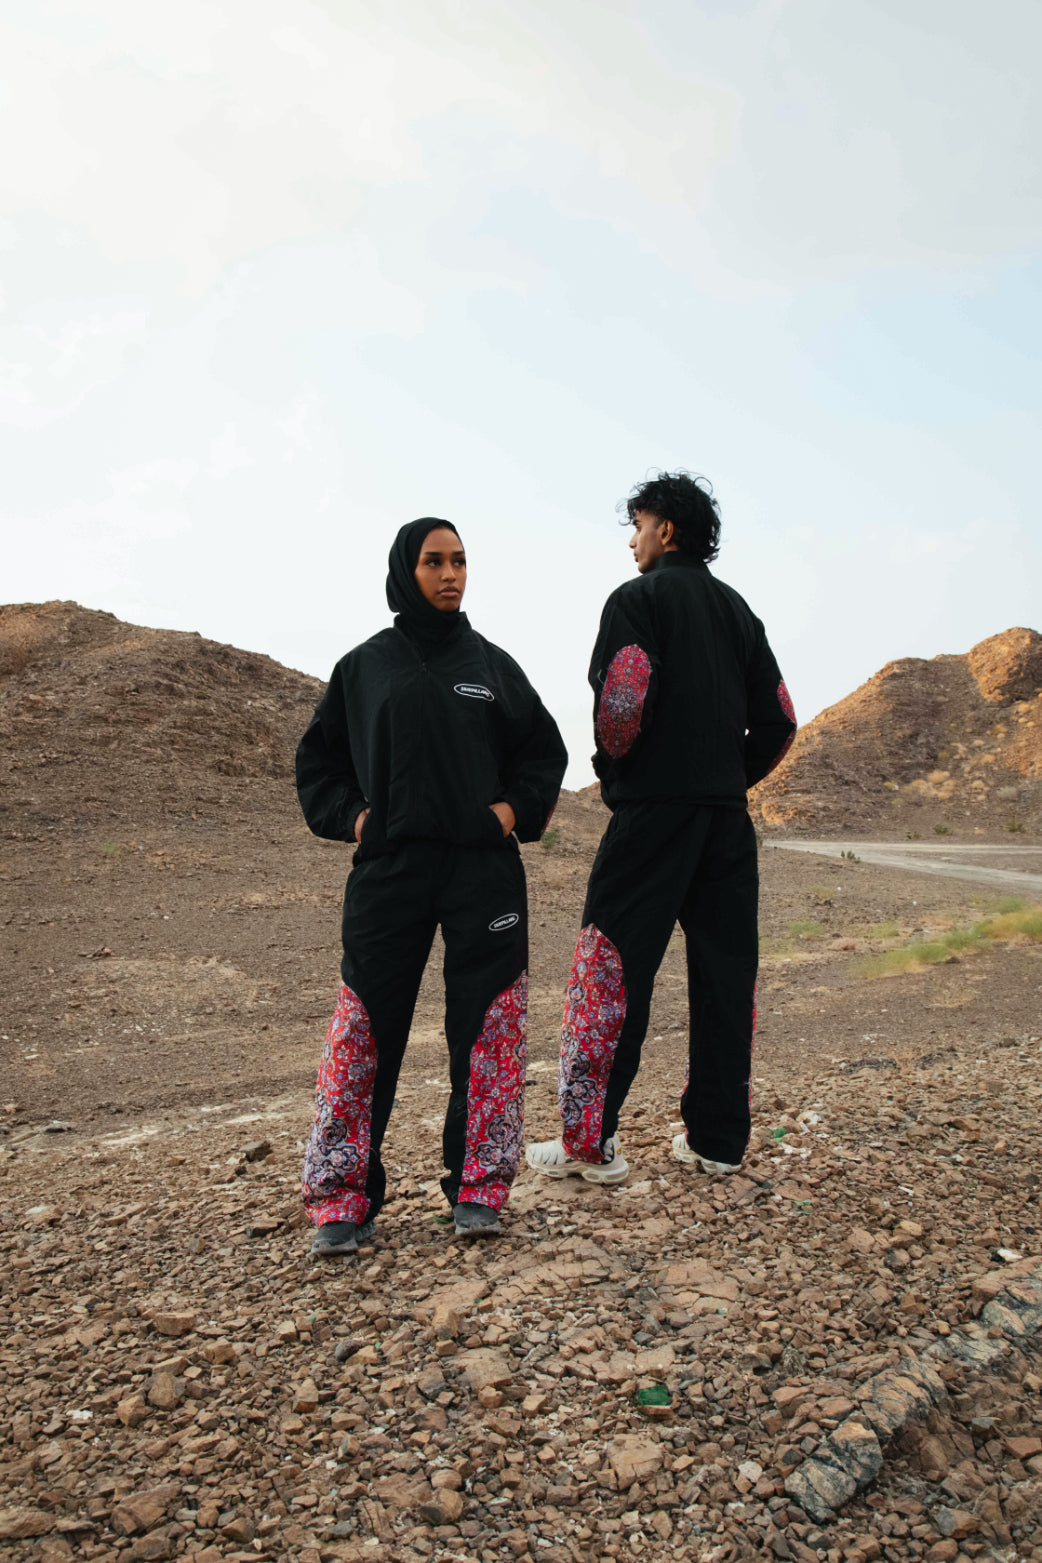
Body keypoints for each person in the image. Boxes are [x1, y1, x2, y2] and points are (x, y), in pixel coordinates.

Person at [297, 518, 567, 1254]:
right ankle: (341, 1195)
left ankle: (479, 1186)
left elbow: (544, 754)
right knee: (364, 1027)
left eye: (460, 561)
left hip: (482, 872)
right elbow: (318, 765)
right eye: (433, 562)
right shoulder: (364, 668)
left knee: (488, 1025)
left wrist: (507, 814)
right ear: (404, 572)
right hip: (389, 871)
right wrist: (358, 820)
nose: (451, 574)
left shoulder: (494, 667)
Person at [526, 472, 796, 1186]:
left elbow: (622, 702)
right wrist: (726, 777)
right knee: (725, 977)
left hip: (652, 819)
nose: (633, 541)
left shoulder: (637, 599)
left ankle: (588, 1143)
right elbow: (780, 719)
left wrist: (622, 771)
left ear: (666, 530)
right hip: (726, 824)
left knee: (610, 968)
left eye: (639, 526)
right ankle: (717, 1142)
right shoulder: (740, 612)